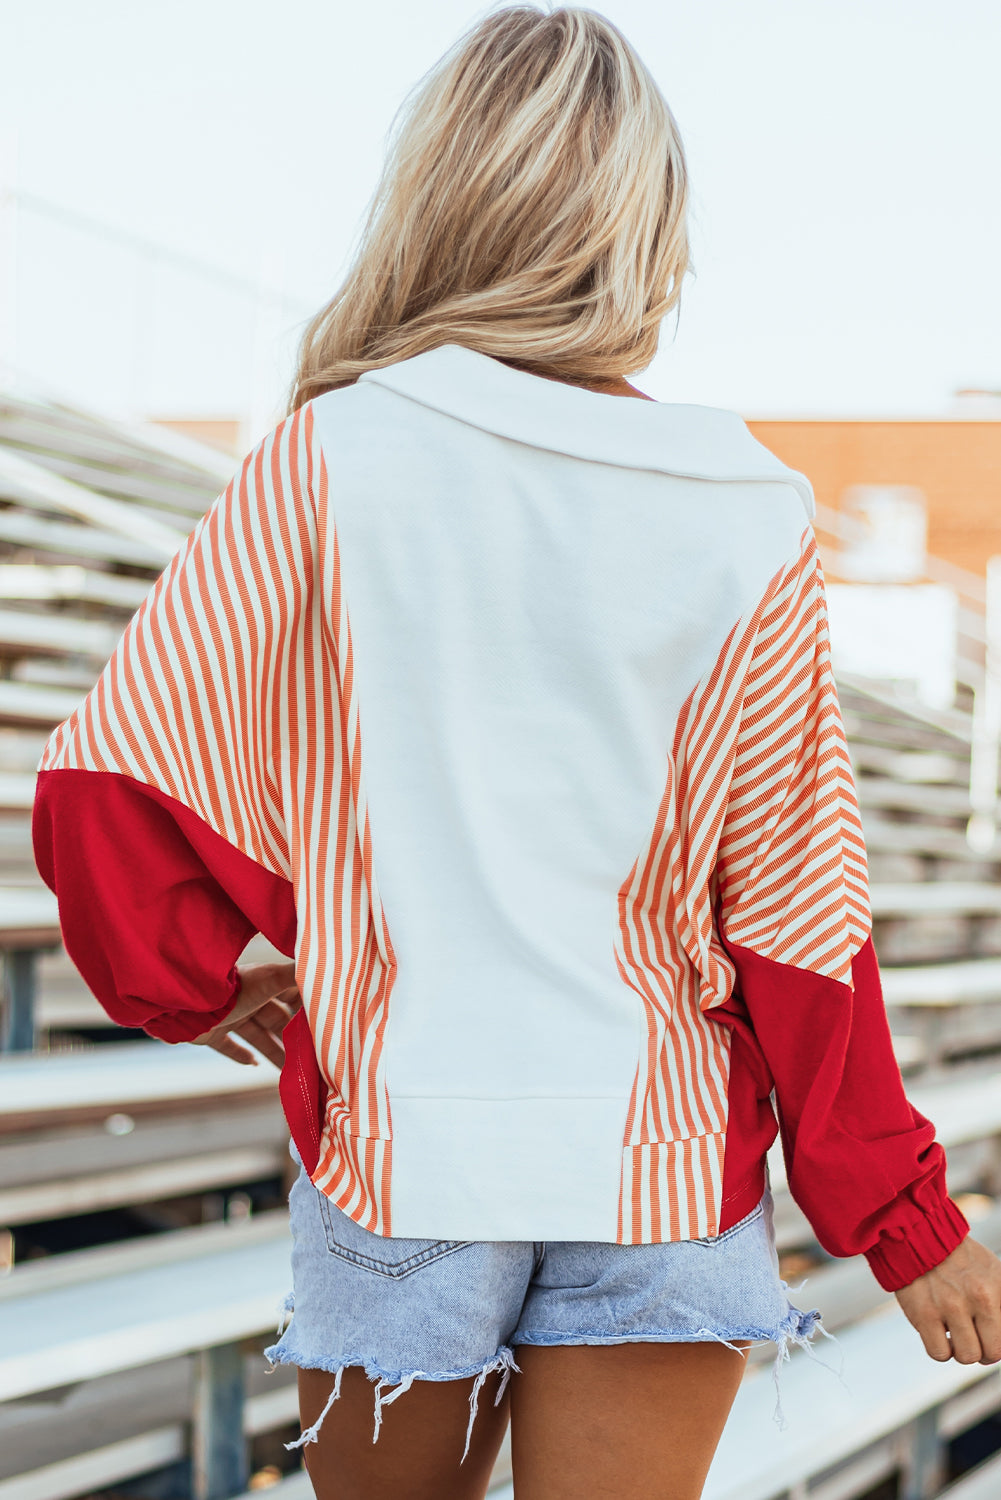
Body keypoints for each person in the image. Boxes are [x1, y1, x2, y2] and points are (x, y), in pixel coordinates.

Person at [31, 7, 1001, 1499]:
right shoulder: (748, 507)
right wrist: (902, 1217)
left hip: (406, 1152)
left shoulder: (326, 457)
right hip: (660, 1164)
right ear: (644, 230)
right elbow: (802, 919)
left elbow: (107, 783)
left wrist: (194, 974)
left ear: (436, 198)